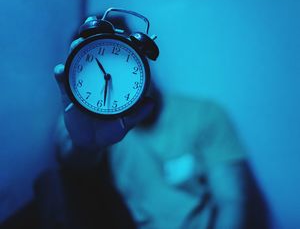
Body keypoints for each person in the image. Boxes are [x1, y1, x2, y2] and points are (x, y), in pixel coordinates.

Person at [50, 17, 269, 229]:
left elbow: (232, 201)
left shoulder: (204, 113)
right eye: (99, 72)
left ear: (139, 56)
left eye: (122, 66)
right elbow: (74, 161)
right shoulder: (86, 118)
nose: (110, 76)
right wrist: (87, 144)